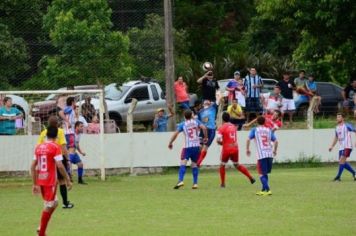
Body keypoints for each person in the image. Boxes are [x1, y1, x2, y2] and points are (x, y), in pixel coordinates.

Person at [31, 126, 72, 236]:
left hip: (41, 180)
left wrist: (35, 184)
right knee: (50, 205)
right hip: (50, 181)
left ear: (46, 134)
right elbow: (59, 165)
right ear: (56, 136)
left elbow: (32, 166)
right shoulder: (55, 146)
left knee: (54, 203)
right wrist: (67, 179)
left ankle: (41, 229)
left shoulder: (38, 147)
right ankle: (41, 233)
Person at [38, 116, 74, 209]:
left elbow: (39, 146)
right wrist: (68, 158)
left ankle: (48, 201)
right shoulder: (60, 131)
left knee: (49, 180)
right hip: (58, 157)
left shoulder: (43, 133)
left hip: (46, 158)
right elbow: (63, 147)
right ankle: (65, 203)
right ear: (57, 123)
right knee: (61, 181)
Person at [168, 109, 208, 189]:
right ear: (191, 115)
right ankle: (195, 183)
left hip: (187, 147)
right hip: (196, 146)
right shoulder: (196, 121)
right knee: (194, 164)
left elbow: (176, 134)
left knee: (183, 162)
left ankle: (180, 180)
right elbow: (204, 128)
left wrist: (170, 142)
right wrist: (206, 137)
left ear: (184, 116)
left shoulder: (183, 124)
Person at [217, 112, 255, 188]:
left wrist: (222, 143)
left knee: (222, 165)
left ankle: (223, 184)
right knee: (237, 164)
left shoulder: (221, 128)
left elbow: (218, 140)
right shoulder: (233, 126)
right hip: (235, 148)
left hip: (227, 148)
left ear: (222, 119)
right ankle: (250, 177)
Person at [246, 116, 278, 196]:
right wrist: (275, 150)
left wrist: (247, 149)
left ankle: (268, 189)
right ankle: (263, 190)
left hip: (261, 155)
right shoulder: (268, 130)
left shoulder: (255, 130)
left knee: (261, 174)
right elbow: (276, 141)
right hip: (269, 154)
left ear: (257, 122)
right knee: (265, 173)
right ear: (264, 122)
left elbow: (248, 139)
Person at [328, 113, 356, 181]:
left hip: (347, 146)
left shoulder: (347, 125)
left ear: (343, 118)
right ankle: (354, 172)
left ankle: (338, 177)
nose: (337, 118)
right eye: (337, 117)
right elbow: (336, 137)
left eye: (339, 117)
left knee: (341, 161)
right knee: (342, 162)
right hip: (341, 147)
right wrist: (332, 146)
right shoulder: (337, 127)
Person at [196, 99, 219, 167]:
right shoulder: (200, 112)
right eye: (206, 102)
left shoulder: (213, 108)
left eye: (208, 102)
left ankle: (198, 162)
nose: (207, 102)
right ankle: (197, 160)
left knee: (205, 146)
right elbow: (199, 122)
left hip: (211, 130)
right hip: (203, 130)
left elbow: (218, 99)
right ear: (203, 104)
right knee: (200, 146)